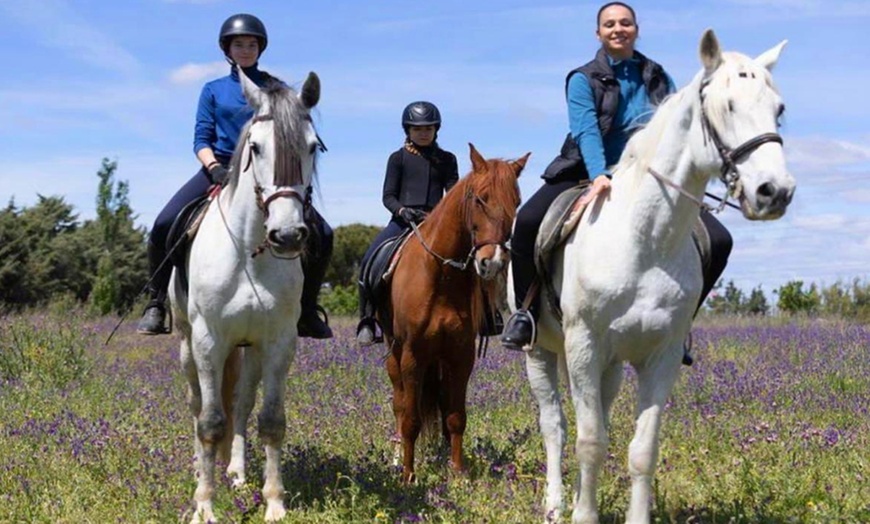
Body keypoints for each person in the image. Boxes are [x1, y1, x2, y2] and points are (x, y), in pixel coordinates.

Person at [500, 1, 732, 364]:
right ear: (599, 33)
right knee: (527, 221)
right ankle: (525, 314)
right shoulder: (582, 78)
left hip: (649, 177)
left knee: (719, 239)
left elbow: (675, 128)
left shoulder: (657, 76)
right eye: (609, 24)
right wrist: (599, 174)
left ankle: (681, 323)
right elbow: (587, 129)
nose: (617, 29)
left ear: (636, 29)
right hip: (585, 170)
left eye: (625, 23)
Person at [137, 13, 334, 339]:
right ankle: (156, 303)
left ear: (260, 48)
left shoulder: (278, 89)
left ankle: (308, 309)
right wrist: (214, 167)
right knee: (163, 223)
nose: (245, 50)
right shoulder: (213, 90)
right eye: (238, 44)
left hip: (268, 172)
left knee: (323, 234)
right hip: (221, 168)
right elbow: (201, 139)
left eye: (251, 44)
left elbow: (293, 135)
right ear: (227, 49)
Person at [355, 101, 459, 346]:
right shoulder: (397, 159)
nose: (423, 133)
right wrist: (403, 211)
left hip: (436, 223)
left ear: (436, 130)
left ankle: (488, 316)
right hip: (402, 222)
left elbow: (453, 193)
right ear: (408, 131)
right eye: (417, 129)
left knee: (472, 257)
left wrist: (439, 216)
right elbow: (388, 196)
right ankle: (367, 319)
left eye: (428, 129)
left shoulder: (447, 159)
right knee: (370, 259)